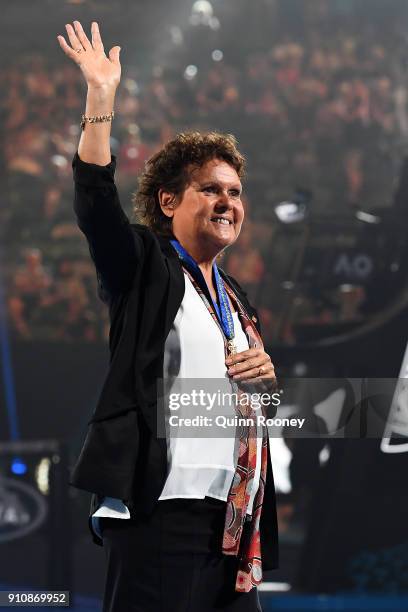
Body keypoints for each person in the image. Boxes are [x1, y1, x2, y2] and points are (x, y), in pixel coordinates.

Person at [57, 20, 279, 612]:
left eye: (235, 192)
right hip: (162, 517)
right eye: (211, 189)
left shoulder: (234, 298)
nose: (228, 202)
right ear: (169, 200)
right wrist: (101, 99)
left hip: (232, 526)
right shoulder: (145, 267)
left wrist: (267, 381)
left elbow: (257, 405)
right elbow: (95, 204)